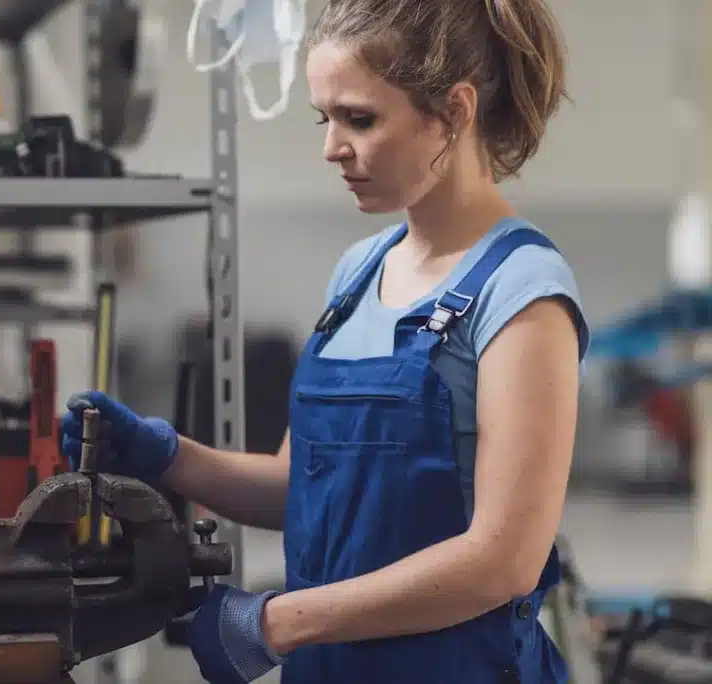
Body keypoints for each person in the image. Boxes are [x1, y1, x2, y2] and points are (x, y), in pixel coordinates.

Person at [60, 0, 588, 681]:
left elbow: (501, 562)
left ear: (455, 112)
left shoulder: (522, 292)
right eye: (325, 118)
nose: (331, 147)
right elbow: (299, 488)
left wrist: (277, 623)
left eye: (359, 119)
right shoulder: (358, 273)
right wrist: (166, 455)